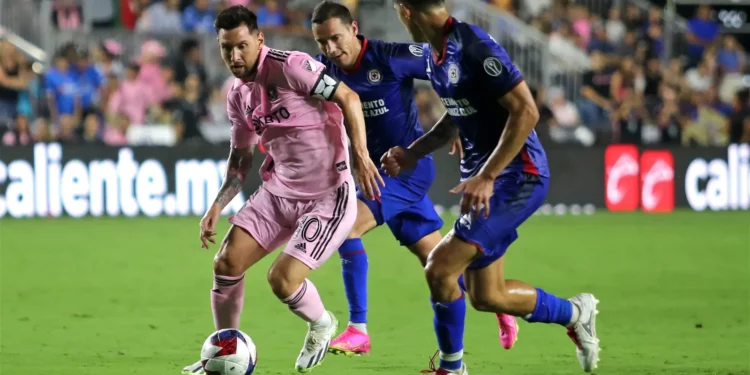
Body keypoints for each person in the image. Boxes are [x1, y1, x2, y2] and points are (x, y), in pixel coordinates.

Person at [381, 1, 600, 374]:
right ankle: (576, 312)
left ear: (405, 11)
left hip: (517, 176)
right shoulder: (435, 55)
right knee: (487, 296)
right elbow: (459, 112)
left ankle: (452, 368)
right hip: (487, 178)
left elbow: (527, 110)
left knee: (439, 269)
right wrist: (413, 152)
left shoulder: (473, 44)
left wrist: (488, 175)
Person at [308, 1, 519, 356]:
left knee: (345, 226)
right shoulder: (325, 70)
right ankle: (498, 303)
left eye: (335, 38)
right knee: (439, 264)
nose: (331, 49)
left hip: (407, 169)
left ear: (354, 29)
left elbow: (451, 69)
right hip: (380, 175)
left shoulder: (390, 56)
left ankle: (358, 329)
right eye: (322, 43)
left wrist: (455, 122)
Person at [181, 5, 383, 374]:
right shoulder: (237, 96)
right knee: (226, 263)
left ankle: (322, 323)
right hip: (278, 194)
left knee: (282, 280)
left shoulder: (292, 66)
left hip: (328, 195)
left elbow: (349, 98)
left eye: (241, 45)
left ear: (259, 39)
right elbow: (240, 159)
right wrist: (216, 204)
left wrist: (362, 156)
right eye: (226, 48)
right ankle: (225, 350)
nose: (234, 56)